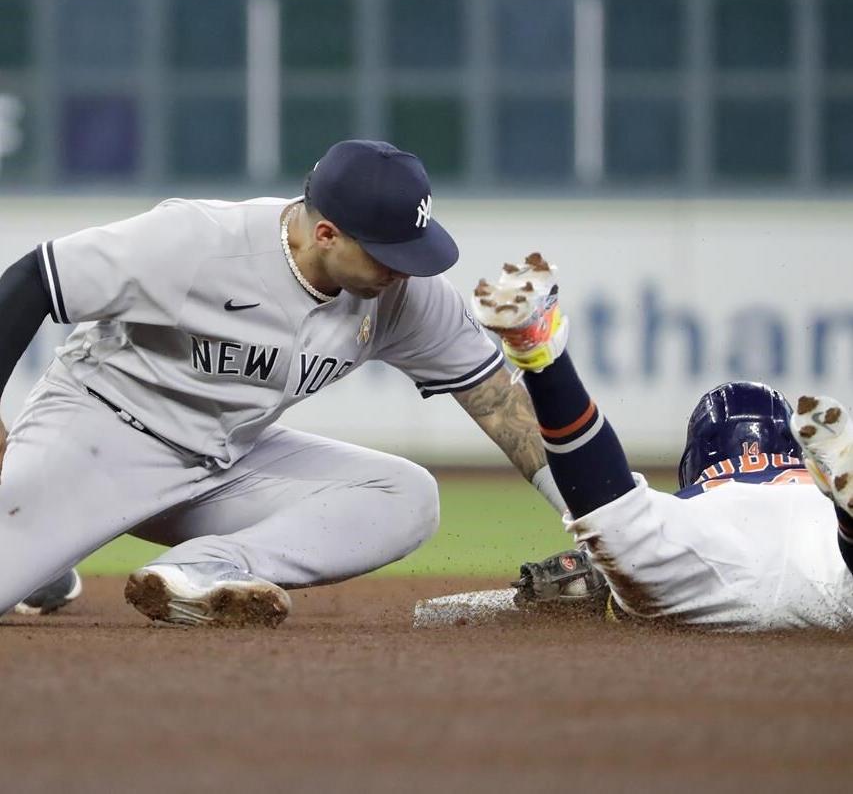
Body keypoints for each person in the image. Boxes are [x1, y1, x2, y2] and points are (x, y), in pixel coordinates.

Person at [0, 140, 565, 627]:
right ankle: (44, 550)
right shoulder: (197, 240)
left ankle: (204, 567)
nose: (404, 269)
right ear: (325, 234)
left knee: (407, 496)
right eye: (387, 253)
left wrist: (607, 514)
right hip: (100, 439)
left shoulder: (402, 294)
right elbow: (32, 280)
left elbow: (500, 404)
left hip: (224, 468)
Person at [471, 254, 853, 631]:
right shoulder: (804, 485)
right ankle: (847, 520)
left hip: (709, 553)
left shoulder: (693, 506)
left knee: (616, 517)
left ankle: (542, 357)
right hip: (822, 531)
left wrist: (607, 583)